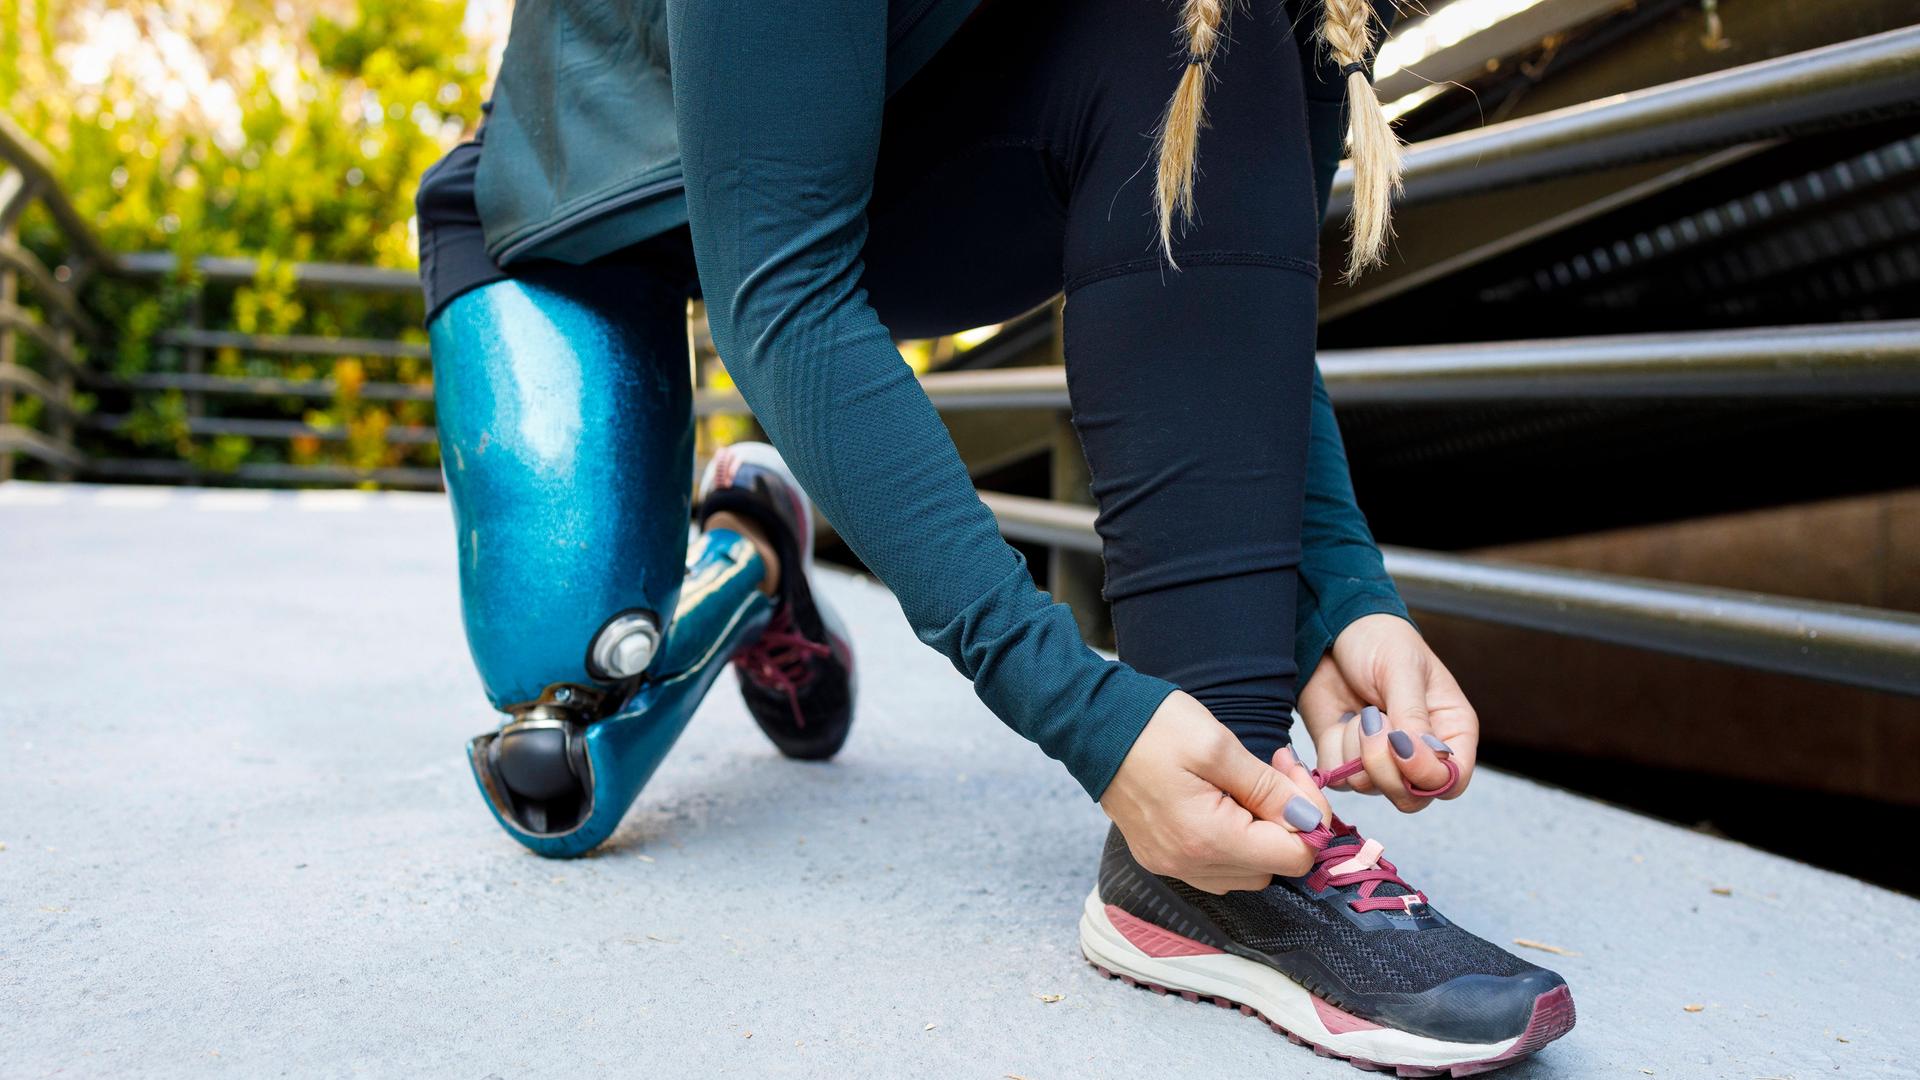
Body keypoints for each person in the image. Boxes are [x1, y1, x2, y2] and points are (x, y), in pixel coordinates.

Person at [415, 0, 1575, 1070]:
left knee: (1194, 31)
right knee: (564, 743)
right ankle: (755, 550)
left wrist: (1345, 590)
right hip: (592, 207)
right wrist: (1080, 712)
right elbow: (776, 288)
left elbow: (1221, 267)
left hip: (896, 159)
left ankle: (1215, 862)